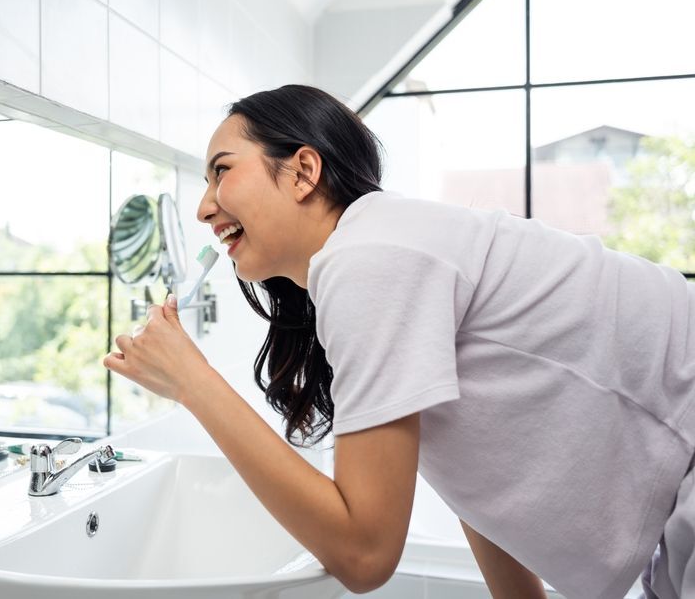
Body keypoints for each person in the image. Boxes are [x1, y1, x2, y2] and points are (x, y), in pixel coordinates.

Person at [104, 84, 695, 598]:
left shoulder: (369, 260)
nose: (205, 207)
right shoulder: (377, 253)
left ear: (304, 172)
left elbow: (365, 556)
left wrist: (194, 383)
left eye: (222, 171)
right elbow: (477, 483)